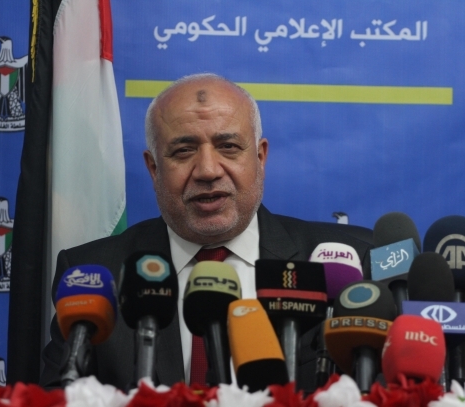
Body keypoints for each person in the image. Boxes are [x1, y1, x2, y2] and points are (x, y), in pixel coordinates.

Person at [40, 73, 373, 392]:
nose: (208, 171)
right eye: (184, 151)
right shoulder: (95, 273)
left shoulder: (353, 265)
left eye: (228, 146)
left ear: (260, 157)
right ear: (153, 168)